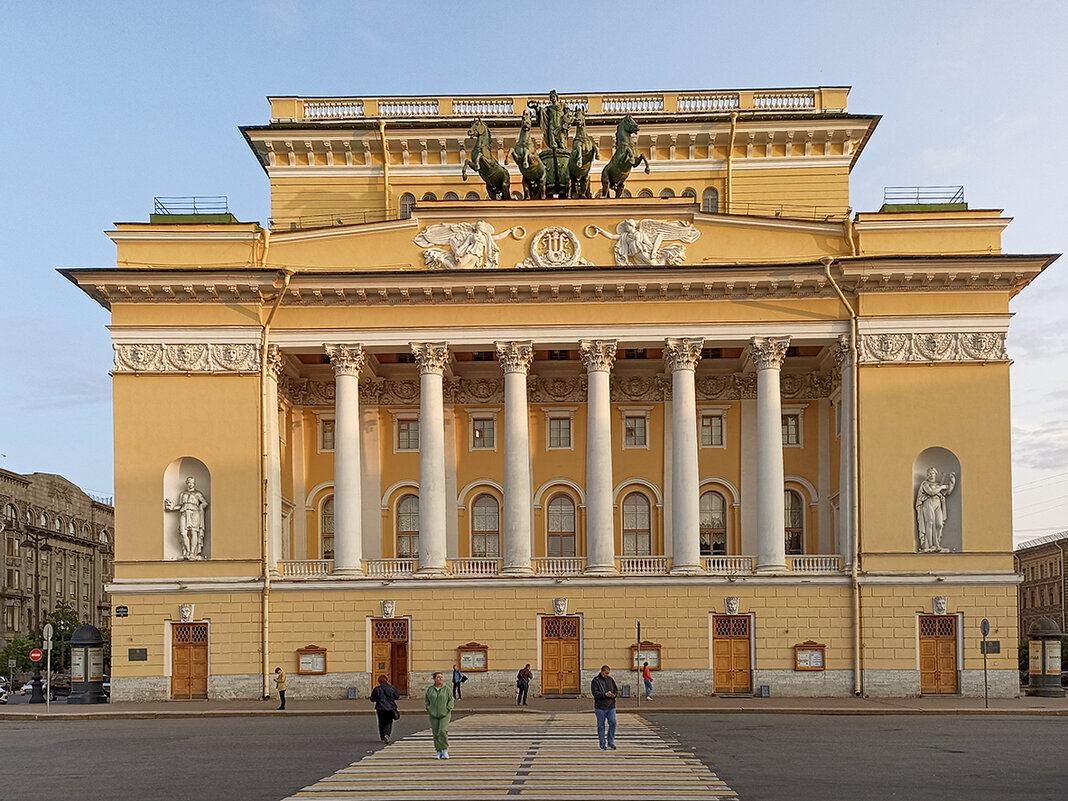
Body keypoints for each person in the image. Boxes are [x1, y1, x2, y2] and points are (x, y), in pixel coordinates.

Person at [164, 476, 209, 559]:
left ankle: (192, 553)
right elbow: (180, 505)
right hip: (184, 512)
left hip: (194, 513)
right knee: (183, 532)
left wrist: (201, 507)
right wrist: (172, 507)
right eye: (189, 482)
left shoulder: (197, 494)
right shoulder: (183, 494)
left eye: (192, 482)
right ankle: (187, 552)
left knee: (193, 532)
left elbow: (204, 503)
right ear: (187, 483)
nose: (190, 484)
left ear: (194, 483)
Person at [916, 467, 957, 551]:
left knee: (939, 524)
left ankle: (937, 543)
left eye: (933, 473)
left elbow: (948, 491)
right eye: (929, 474)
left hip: (938, 504)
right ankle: (930, 545)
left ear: (935, 474)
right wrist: (942, 487)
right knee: (930, 523)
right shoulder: (925, 484)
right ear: (927, 475)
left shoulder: (938, 484)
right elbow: (931, 492)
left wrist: (952, 480)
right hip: (928, 504)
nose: (931, 475)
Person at [425, 671, 454, 759]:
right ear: (434, 679)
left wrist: (448, 709)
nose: (440, 679)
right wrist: (429, 708)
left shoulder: (446, 689)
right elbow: (427, 700)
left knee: (442, 731)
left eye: (441, 677)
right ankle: (438, 750)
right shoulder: (430, 689)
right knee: (436, 733)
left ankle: (445, 749)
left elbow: (451, 700)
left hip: (444, 714)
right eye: (438, 677)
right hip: (433, 714)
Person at [591, 664, 618, 750]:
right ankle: (602, 744)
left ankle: (610, 741)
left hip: (611, 706)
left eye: (608, 673)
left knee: (613, 723)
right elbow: (595, 693)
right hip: (600, 707)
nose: (607, 675)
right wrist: (604, 694)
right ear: (602, 672)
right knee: (601, 726)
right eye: (606, 673)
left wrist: (614, 695)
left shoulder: (610, 680)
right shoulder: (596, 681)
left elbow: (616, 689)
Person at [369, 674, 400, 744]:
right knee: (389, 722)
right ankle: (387, 734)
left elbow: (372, 699)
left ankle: (382, 736)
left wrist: (378, 699)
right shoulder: (392, 688)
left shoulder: (376, 689)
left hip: (380, 708)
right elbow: (397, 696)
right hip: (390, 708)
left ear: (379, 681)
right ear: (386, 680)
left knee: (381, 722)